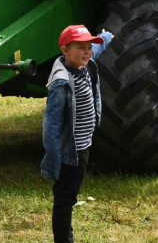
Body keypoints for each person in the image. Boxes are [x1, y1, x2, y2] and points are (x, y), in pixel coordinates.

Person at [42, 24, 114, 243]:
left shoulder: (86, 64)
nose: (87, 52)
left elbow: (97, 49)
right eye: (81, 48)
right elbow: (51, 126)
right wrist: (53, 162)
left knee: (70, 196)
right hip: (69, 152)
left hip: (84, 147)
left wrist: (107, 36)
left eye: (88, 47)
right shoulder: (62, 83)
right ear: (65, 50)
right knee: (64, 199)